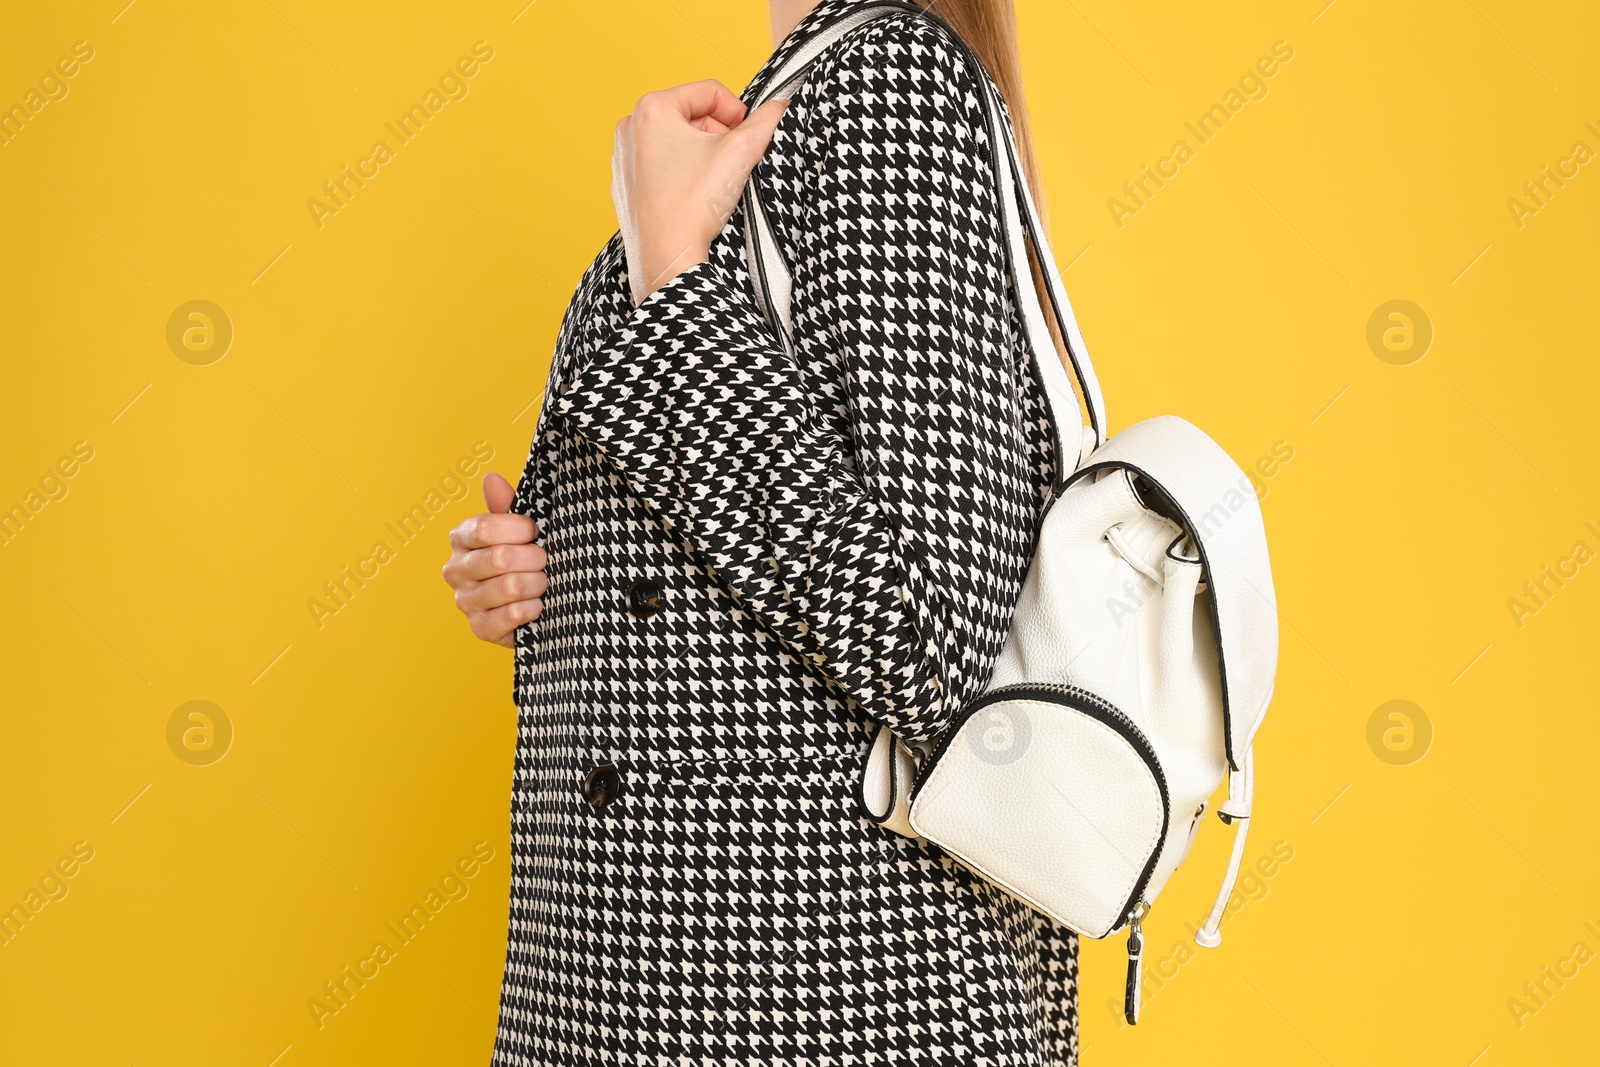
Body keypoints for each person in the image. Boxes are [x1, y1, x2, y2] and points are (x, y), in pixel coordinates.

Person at [442, 0, 1086, 1061]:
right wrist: (549, 582)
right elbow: (728, 578)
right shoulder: (805, 97)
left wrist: (672, 276)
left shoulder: (892, 91)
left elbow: (921, 634)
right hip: (671, 974)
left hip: (806, 988)